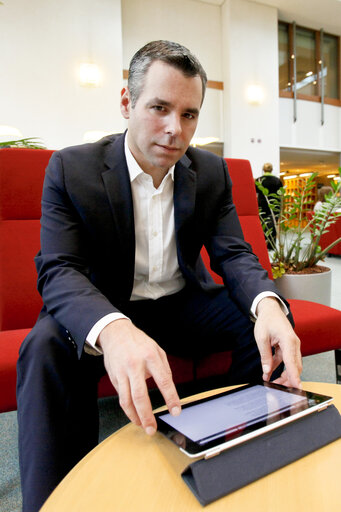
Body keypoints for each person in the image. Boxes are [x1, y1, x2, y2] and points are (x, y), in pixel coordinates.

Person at [17, 40, 302, 512]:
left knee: (257, 320)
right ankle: (54, 501)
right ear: (127, 103)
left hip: (181, 303)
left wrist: (270, 305)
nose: (175, 130)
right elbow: (58, 269)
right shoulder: (73, 168)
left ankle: (245, 453)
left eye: (189, 114)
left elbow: (233, 254)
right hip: (107, 307)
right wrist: (113, 329)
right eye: (159, 108)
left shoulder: (209, 172)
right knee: (44, 345)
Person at [256, 163, 282, 249]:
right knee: (273, 225)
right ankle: (271, 245)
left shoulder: (259, 180)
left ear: (263, 169)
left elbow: (255, 194)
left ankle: (263, 244)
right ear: (272, 169)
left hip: (262, 206)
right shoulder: (277, 181)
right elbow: (280, 195)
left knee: (263, 225)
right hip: (274, 206)